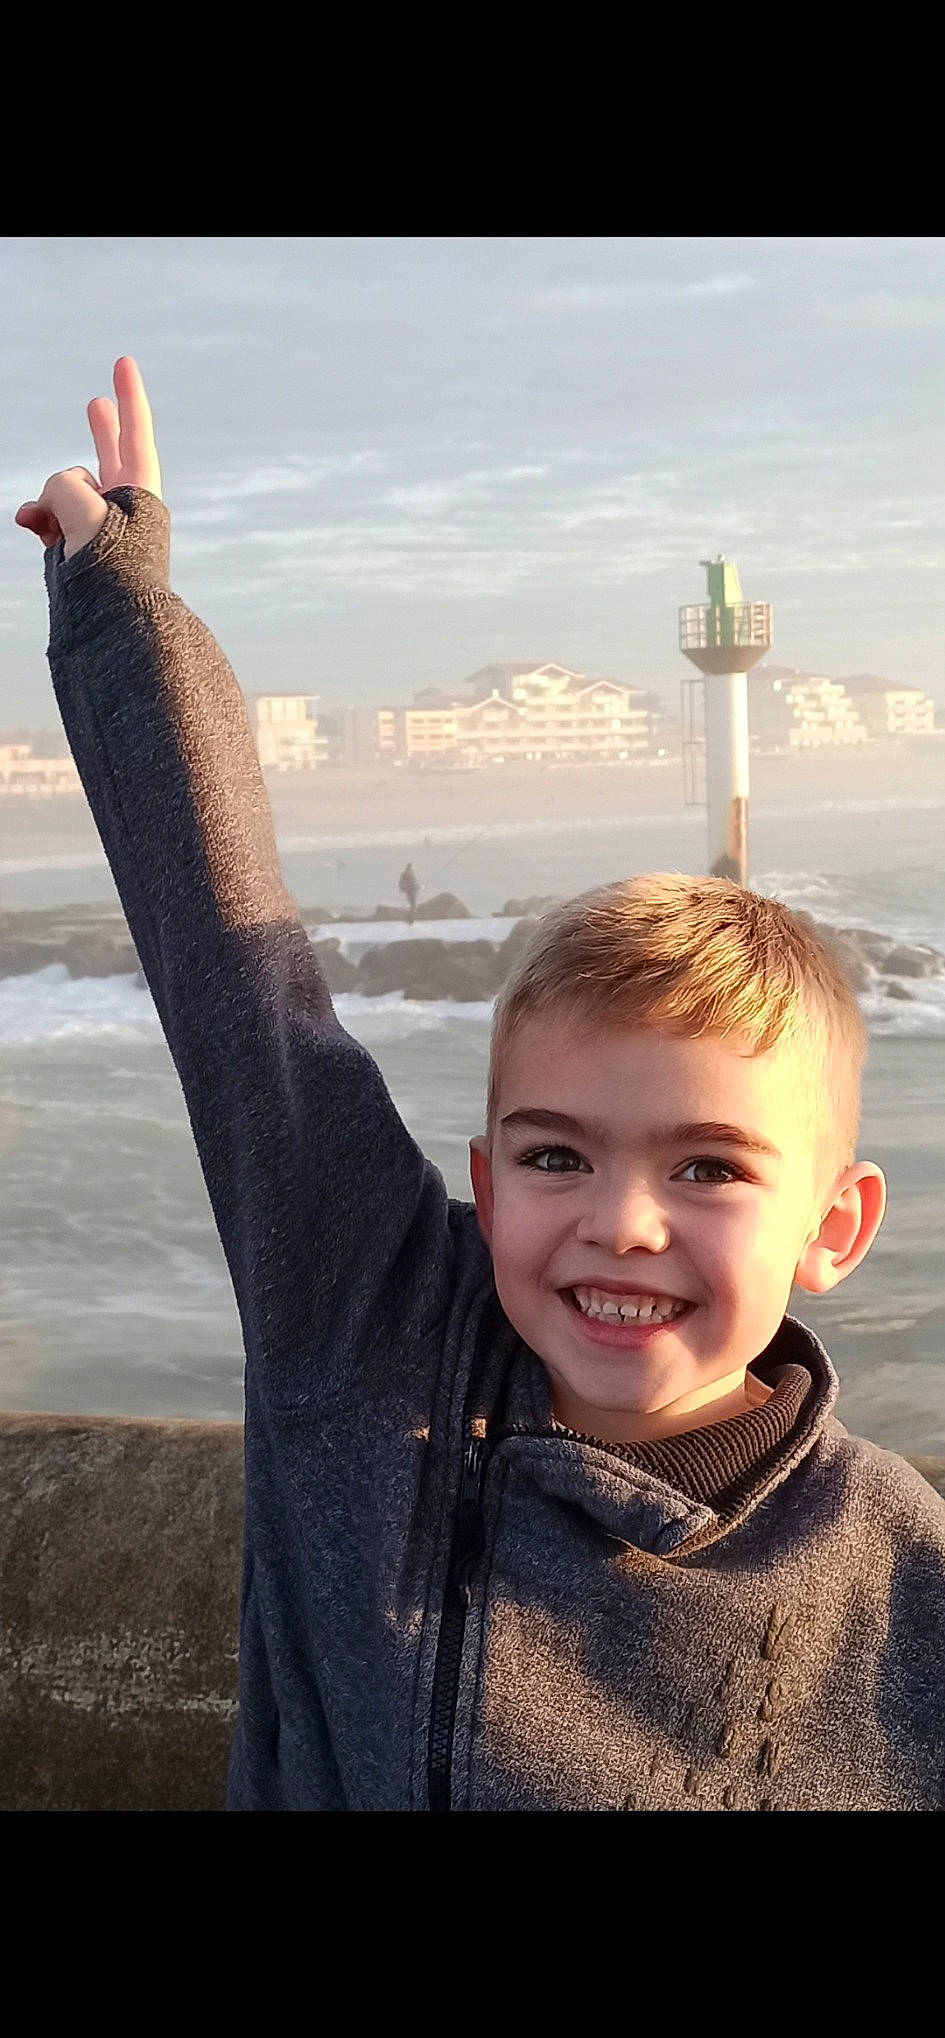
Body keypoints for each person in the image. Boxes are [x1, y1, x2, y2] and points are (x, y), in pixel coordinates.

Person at [17, 360, 945, 1812]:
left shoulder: (897, 1572)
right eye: (556, 1157)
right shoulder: (366, 1344)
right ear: (486, 1173)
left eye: (708, 1168)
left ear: (836, 1223)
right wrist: (127, 609)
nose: (622, 1223)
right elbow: (236, 982)